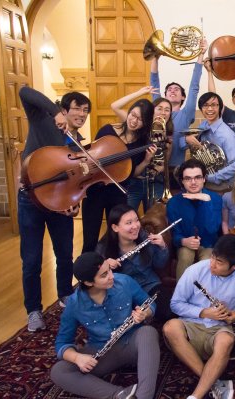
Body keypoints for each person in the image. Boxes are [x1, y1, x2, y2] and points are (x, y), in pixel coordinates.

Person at [18, 86, 91, 331]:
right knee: (31, 259)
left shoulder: (77, 143)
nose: (82, 114)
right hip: (31, 201)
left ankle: (65, 296)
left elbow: (74, 182)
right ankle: (34, 310)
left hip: (59, 205)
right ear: (64, 110)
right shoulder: (42, 121)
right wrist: (53, 112)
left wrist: (74, 205)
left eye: (86, 111)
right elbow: (24, 91)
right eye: (77, 109)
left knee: (64, 254)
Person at [50, 252, 159, 399]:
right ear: (88, 282)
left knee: (148, 332)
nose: (111, 276)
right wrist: (77, 358)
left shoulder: (124, 282)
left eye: (110, 270)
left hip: (133, 343)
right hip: (103, 351)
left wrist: (144, 313)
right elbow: (62, 342)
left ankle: (143, 397)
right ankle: (119, 395)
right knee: (59, 371)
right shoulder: (74, 304)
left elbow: (150, 304)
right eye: (104, 275)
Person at [163, 235, 235, 399]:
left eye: (219, 262)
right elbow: (175, 303)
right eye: (213, 257)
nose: (212, 264)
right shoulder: (195, 270)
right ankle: (212, 382)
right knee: (170, 328)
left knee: (226, 341)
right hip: (191, 324)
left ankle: (195, 396)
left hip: (219, 327)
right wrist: (203, 312)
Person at [81, 98, 157, 253]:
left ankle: (112, 274)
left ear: (146, 123)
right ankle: (87, 274)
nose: (134, 121)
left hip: (117, 192)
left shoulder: (142, 143)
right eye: (133, 115)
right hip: (94, 190)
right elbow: (91, 156)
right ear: (128, 113)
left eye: (140, 120)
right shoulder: (107, 131)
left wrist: (146, 161)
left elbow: (132, 173)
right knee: (90, 238)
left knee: (114, 238)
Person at [96, 203, 172, 321]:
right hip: (124, 292)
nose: (136, 226)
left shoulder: (144, 237)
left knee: (168, 309)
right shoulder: (103, 248)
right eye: (128, 223)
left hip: (150, 284)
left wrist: (162, 246)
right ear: (115, 227)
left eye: (136, 220)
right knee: (122, 317)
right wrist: (105, 267)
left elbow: (159, 264)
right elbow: (96, 281)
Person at [150, 38, 208, 175]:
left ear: (183, 97)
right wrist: (155, 57)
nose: (172, 90)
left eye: (177, 89)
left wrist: (201, 54)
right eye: (169, 89)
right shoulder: (159, 108)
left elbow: (194, 86)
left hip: (177, 169)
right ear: (164, 95)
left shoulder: (186, 113)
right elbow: (154, 83)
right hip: (156, 165)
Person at [111, 86, 175, 206]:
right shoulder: (139, 125)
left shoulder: (169, 137)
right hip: (134, 182)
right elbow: (115, 106)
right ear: (152, 111)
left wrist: (159, 168)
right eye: (159, 108)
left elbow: (164, 163)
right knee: (127, 216)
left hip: (155, 182)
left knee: (153, 219)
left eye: (167, 110)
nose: (163, 112)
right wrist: (139, 93)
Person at [166, 158, 222, 279]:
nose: (193, 182)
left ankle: (204, 297)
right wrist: (183, 241)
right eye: (188, 178)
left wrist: (206, 201)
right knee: (186, 255)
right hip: (185, 245)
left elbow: (212, 230)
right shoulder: (174, 203)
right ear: (182, 181)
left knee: (207, 260)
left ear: (204, 178)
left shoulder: (215, 199)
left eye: (197, 177)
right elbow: (175, 234)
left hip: (208, 245)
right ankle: (180, 296)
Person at [186, 92, 235, 193]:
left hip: (223, 186)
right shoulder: (204, 125)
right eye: (205, 105)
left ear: (219, 108)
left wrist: (211, 177)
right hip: (206, 181)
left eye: (213, 105)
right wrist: (187, 138)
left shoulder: (226, 134)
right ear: (201, 108)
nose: (210, 109)